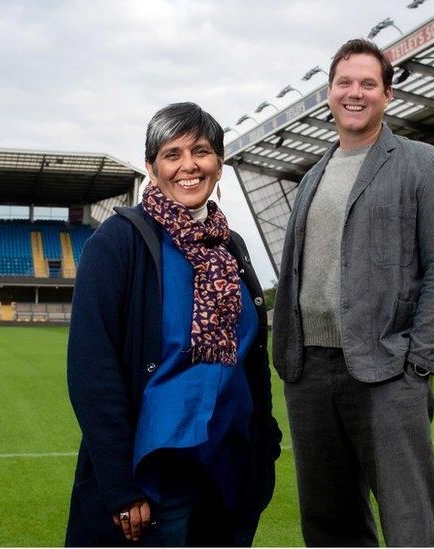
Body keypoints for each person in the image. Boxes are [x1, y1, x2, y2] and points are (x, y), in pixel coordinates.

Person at [272, 38, 434, 547]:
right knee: (329, 524)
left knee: (410, 523)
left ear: (387, 95)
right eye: (344, 83)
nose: (353, 93)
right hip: (309, 371)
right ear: (329, 94)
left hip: (387, 370)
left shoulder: (425, 165)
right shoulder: (313, 175)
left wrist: (419, 364)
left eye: (367, 83)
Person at [65, 102, 282, 547]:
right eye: (172, 153)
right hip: (157, 468)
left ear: (218, 164)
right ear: (151, 167)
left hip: (228, 460)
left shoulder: (231, 247)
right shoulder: (118, 241)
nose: (189, 166)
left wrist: (267, 436)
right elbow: (92, 370)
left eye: (201, 151)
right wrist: (120, 484)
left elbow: (250, 358)